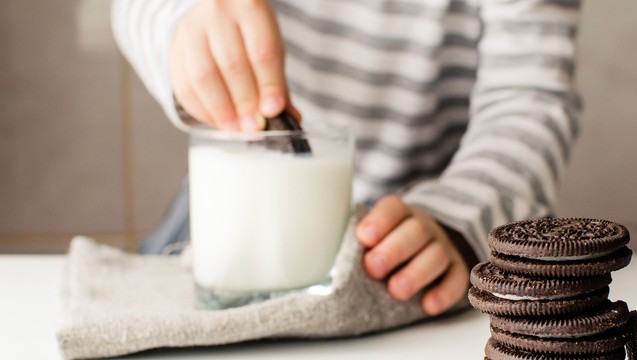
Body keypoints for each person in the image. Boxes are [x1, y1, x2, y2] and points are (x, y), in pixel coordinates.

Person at [112, 0, 581, 316]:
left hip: (429, 234)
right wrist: (184, 20)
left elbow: (529, 98)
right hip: (225, 225)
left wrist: (461, 214)